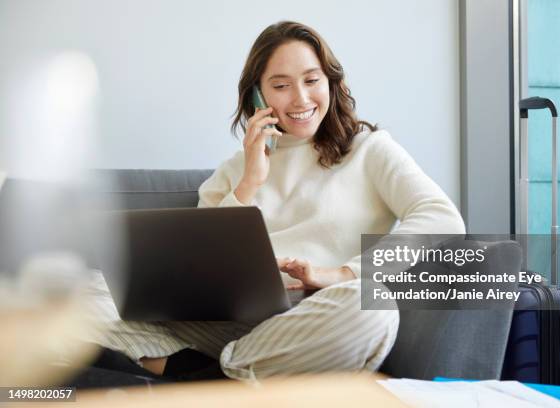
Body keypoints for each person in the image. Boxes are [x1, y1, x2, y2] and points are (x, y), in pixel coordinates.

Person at [91, 21, 465, 381]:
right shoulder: (234, 170)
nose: (301, 98)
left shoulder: (370, 150)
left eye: (312, 80)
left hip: (311, 319)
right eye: (281, 85)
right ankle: (227, 374)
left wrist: (343, 273)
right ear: (259, 95)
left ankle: (206, 375)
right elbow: (200, 269)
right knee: (83, 290)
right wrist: (249, 182)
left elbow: (442, 218)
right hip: (222, 323)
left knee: (374, 307)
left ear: (331, 83)